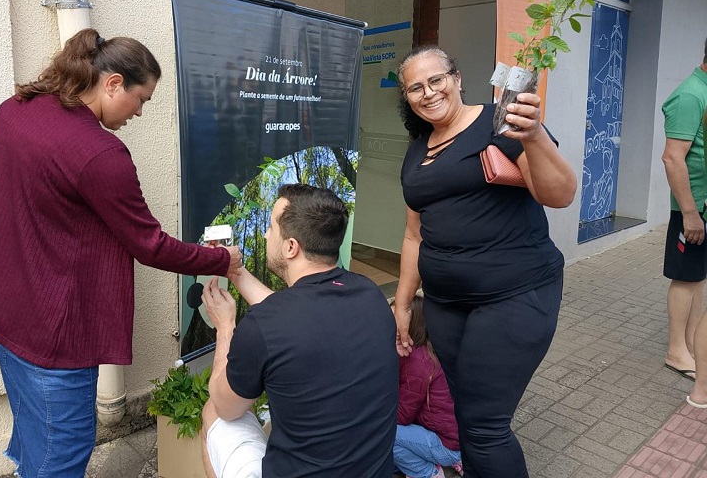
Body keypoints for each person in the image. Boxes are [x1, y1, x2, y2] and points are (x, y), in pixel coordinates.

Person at [0, 28, 242, 478]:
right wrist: (221, 260)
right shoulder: (99, 154)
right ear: (113, 83)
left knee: (37, 429)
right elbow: (149, 244)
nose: (140, 112)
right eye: (142, 99)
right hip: (50, 337)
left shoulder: (16, 110)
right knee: (64, 450)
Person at [392, 46, 577, 478]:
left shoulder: (500, 123)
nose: (428, 92)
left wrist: (532, 137)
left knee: (484, 426)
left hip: (514, 293)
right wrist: (403, 302)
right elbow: (413, 233)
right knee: (468, 415)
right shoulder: (417, 151)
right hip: (445, 304)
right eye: (415, 87)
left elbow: (560, 194)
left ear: (457, 78)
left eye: (436, 79)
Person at [200, 183, 399, 477]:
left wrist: (226, 326)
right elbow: (295, 318)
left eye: (271, 227)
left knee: (213, 412)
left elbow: (225, 404)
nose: (266, 235)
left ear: (291, 247)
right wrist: (234, 271)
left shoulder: (265, 324)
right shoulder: (370, 295)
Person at [661, 38, 707, 382]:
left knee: (697, 277)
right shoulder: (691, 95)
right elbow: (673, 157)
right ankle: (677, 351)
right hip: (693, 206)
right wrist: (690, 213)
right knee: (685, 276)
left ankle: (692, 344)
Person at [393, 294, 462, 478]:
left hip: (448, 443)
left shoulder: (416, 362)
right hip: (457, 436)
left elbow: (402, 416)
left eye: (394, 320)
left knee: (385, 433)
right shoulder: (431, 349)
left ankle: (428, 473)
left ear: (411, 325)